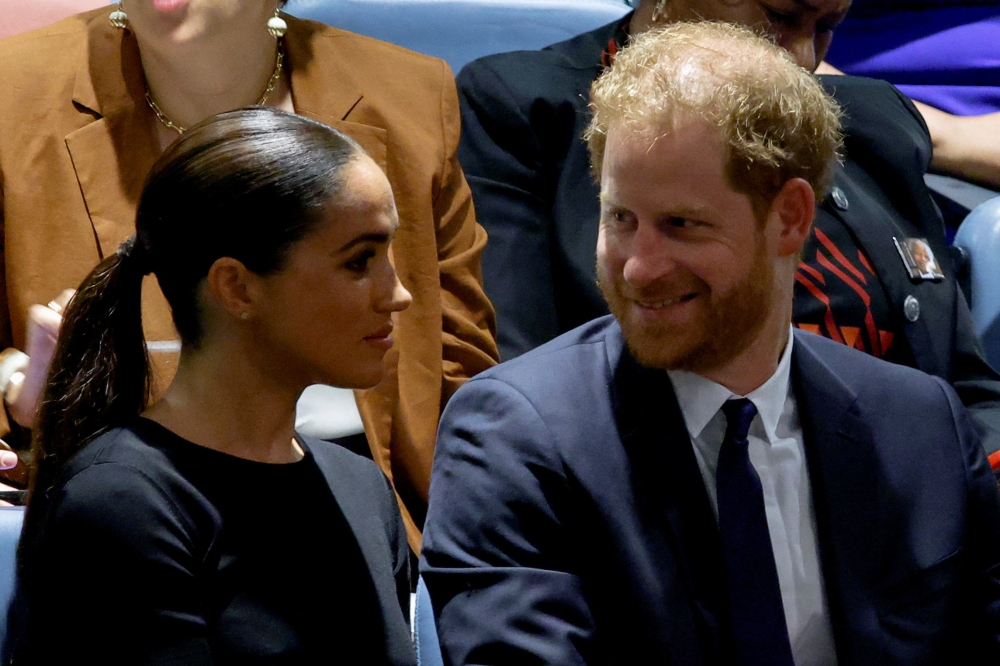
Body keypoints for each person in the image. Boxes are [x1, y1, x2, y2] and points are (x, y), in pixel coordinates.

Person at [421, 23, 1000, 665]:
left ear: (790, 218)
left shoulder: (920, 425)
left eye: (682, 225)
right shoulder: (515, 439)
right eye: (620, 219)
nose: (640, 267)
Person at [0, 0, 498, 541]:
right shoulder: (12, 91)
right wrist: (17, 396)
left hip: (372, 513)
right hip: (121, 513)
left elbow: (459, 374)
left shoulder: (411, 92)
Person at [458, 0, 1000, 463]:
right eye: (781, 16)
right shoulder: (523, 109)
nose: (804, 59)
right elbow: (522, 389)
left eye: (827, 26)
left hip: (919, 516)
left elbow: (967, 392)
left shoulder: (872, 120)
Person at [4, 108, 417, 665]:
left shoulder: (359, 488)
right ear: (237, 287)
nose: (398, 295)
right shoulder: (122, 501)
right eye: (360, 261)